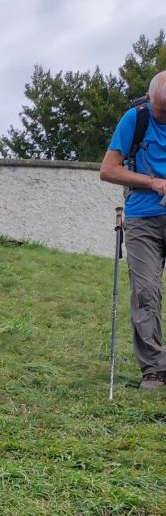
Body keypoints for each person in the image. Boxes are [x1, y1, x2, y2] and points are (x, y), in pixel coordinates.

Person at [100, 71, 166, 390]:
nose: (163, 117)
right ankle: (154, 370)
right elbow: (108, 170)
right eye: (160, 111)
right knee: (145, 292)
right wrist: (152, 182)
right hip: (142, 218)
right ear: (149, 99)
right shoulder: (135, 119)